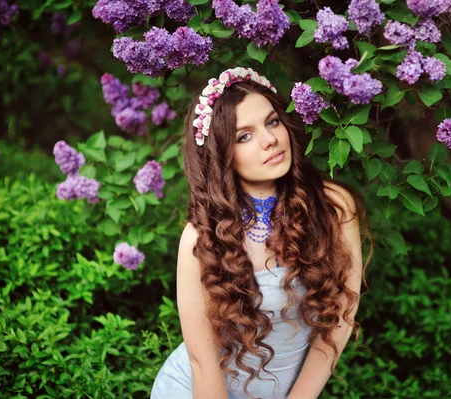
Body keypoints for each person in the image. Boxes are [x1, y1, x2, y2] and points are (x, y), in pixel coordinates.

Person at [151, 67, 371, 399]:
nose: (269, 139)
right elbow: (202, 362)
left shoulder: (334, 207)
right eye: (244, 136)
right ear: (222, 155)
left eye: (272, 122)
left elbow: (341, 319)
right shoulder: (202, 238)